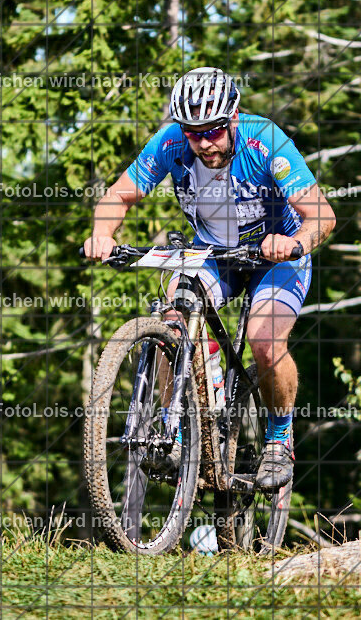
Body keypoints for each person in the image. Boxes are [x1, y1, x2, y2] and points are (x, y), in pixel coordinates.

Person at [83, 67, 335, 489]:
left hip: (277, 255)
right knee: (172, 320)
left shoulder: (265, 140)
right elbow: (119, 195)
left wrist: (295, 243)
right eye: (194, 132)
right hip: (215, 252)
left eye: (215, 130)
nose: (204, 143)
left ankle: (278, 437)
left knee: (264, 339)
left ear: (234, 117)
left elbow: (322, 216)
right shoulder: (170, 144)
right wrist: (101, 235)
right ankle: (179, 427)